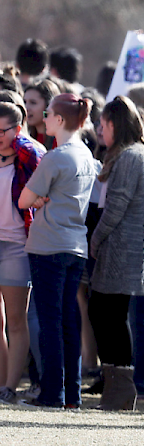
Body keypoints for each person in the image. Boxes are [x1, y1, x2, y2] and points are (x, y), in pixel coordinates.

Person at [17, 93, 102, 409]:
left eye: (49, 113)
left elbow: (25, 199)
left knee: (50, 322)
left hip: (48, 244)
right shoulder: (84, 154)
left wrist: (39, 198)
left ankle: (53, 393)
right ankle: (71, 393)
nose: (44, 117)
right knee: (68, 320)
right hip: (75, 245)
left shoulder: (56, 156)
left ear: (61, 120)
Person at [87, 96, 144, 410]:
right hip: (119, 248)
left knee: (111, 316)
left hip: (122, 249)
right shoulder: (130, 154)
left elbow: (115, 206)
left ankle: (121, 389)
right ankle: (114, 385)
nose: (100, 130)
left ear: (116, 124)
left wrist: (95, 239)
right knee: (105, 314)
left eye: (103, 124)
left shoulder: (132, 156)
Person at [0, 102, 45, 404]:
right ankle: (1, 383)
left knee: (16, 320)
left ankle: (10, 387)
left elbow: (45, 192)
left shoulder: (29, 157)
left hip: (17, 245)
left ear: (17, 130)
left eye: (2, 131)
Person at [24, 79, 60, 150]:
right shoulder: (24, 139)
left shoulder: (60, 141)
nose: (26, 108)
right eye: (24, 102)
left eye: (33, 102)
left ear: (49, 105)